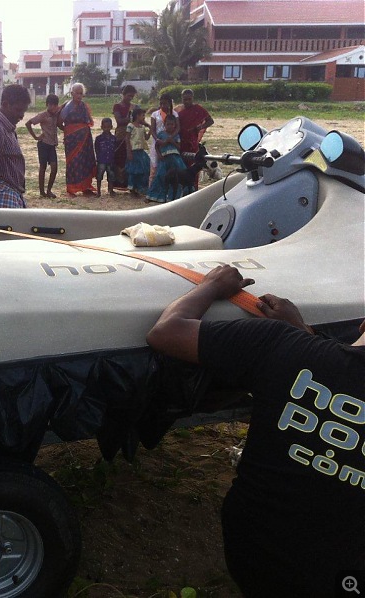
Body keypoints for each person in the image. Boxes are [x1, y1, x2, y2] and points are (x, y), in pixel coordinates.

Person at [146, 265, 365, 598]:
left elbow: (165, 332)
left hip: (254, 555)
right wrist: (302, 333)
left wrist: (211, 286)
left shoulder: (280, 345)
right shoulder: (289, 344)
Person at [58, 83, 97, 198]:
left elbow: (88, 121)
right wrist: (70, 132)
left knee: (85, 161)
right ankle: (71, 189)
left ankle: (86, 187)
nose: (79, 96)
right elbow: (59, 122)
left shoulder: (84, 106)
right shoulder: (68, 107)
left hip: (85, 139)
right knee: (73, 162)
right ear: (72, 94)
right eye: (77, 93)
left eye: (81, 93)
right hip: (72, 140)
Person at [175, 88, 214, 188]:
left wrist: (200, 127)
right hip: (180, 141)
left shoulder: (198, 109)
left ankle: (194, 187)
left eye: (189, 99)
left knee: (194, 165)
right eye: (185, 99)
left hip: (192, 141)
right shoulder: (178, 110)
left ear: (192, 98)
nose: (187, 101)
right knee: (181, 164)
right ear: (182, 99)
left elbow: (210, 121)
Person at [25, 94, 61, 199]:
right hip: (44, 144)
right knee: (43, 167)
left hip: (52, 145)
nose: (53, 107)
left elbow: (63, 106)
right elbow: (28, 123)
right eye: (51, 105)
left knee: (54, 168)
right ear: (47, 105)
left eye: (55, 105)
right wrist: (35, 137)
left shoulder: (56, 114)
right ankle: (42, 191)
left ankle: (49, 190)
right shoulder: (43, 115)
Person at [147, 114, 186, 203]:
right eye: (168, 124)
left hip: (175, 159)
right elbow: (157, 146)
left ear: (174, 125)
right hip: (164, 160)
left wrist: (172, 142)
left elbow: (179, 147)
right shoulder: (161, 134)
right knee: (160, 176)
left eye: (172, 124)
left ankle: (174, 196)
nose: (170, 126)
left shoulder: (176, 136)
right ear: (164, 125)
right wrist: (159, 154)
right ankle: (155, 196)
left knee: (177, 176)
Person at [148, 93, 179, 187]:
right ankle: (152, 190)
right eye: (161, 104)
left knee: (168, 166)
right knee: (154, 166)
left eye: (165, 104)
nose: (163, 106)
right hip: (157, 142)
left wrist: (170, 138)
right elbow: (152, 129)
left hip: (170, 143)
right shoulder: (155, 114)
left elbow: (178, 128)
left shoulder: (174, 114)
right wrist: (158, 139)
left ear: (169, 103)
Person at [112, 84, 139, 189]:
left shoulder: (135, 106)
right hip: (121, 134)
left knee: (131, 158)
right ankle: (118, 183)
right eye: (128, 96)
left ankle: (130, 183)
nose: (130, 98)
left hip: (133, 135)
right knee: (120, 157)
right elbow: (119, 121)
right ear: (123, 94)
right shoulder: (117, 106)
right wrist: (130, 116)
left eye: (132, 96)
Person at [125, 107, 151, 198]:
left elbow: (146, 138)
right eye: (142, 115)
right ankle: (132, 189)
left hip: (141, 151)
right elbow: (127, 139)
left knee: (144, 169)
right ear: (137, 116)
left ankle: (139, 188)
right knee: (134, 171)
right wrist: (129, 152)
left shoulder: (143, 127)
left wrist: (150, 127)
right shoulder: (130, 126)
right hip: (134, 151)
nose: (144, 117)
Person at [94, 117, 116, 197]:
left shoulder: (114, 138)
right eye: (105, 127)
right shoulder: (99, 139)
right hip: (101, 160)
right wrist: (98, 158)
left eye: (108, 127)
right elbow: (96, 148)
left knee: (111, 176)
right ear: (102, 127)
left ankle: (111, 190)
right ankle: (98, 191)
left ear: (111, 127)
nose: (106, 129)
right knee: (99, 176)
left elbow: (115, 149)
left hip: (110, 160)